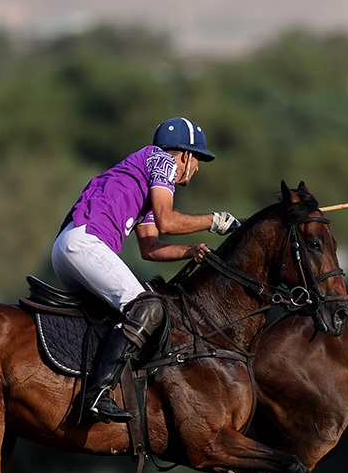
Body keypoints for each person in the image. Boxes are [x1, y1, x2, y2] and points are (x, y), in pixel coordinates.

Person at [51, 117, 240, 423]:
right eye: (198, 159)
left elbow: (150, 247)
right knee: (148, 307)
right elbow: (168, 221)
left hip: (67, 249)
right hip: (85, 245)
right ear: (184, 155)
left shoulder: (144, 179)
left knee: (117, 318)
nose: (197, 168)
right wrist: (214, 221)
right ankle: (97, 394)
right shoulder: (162, 159)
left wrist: (189, 251)